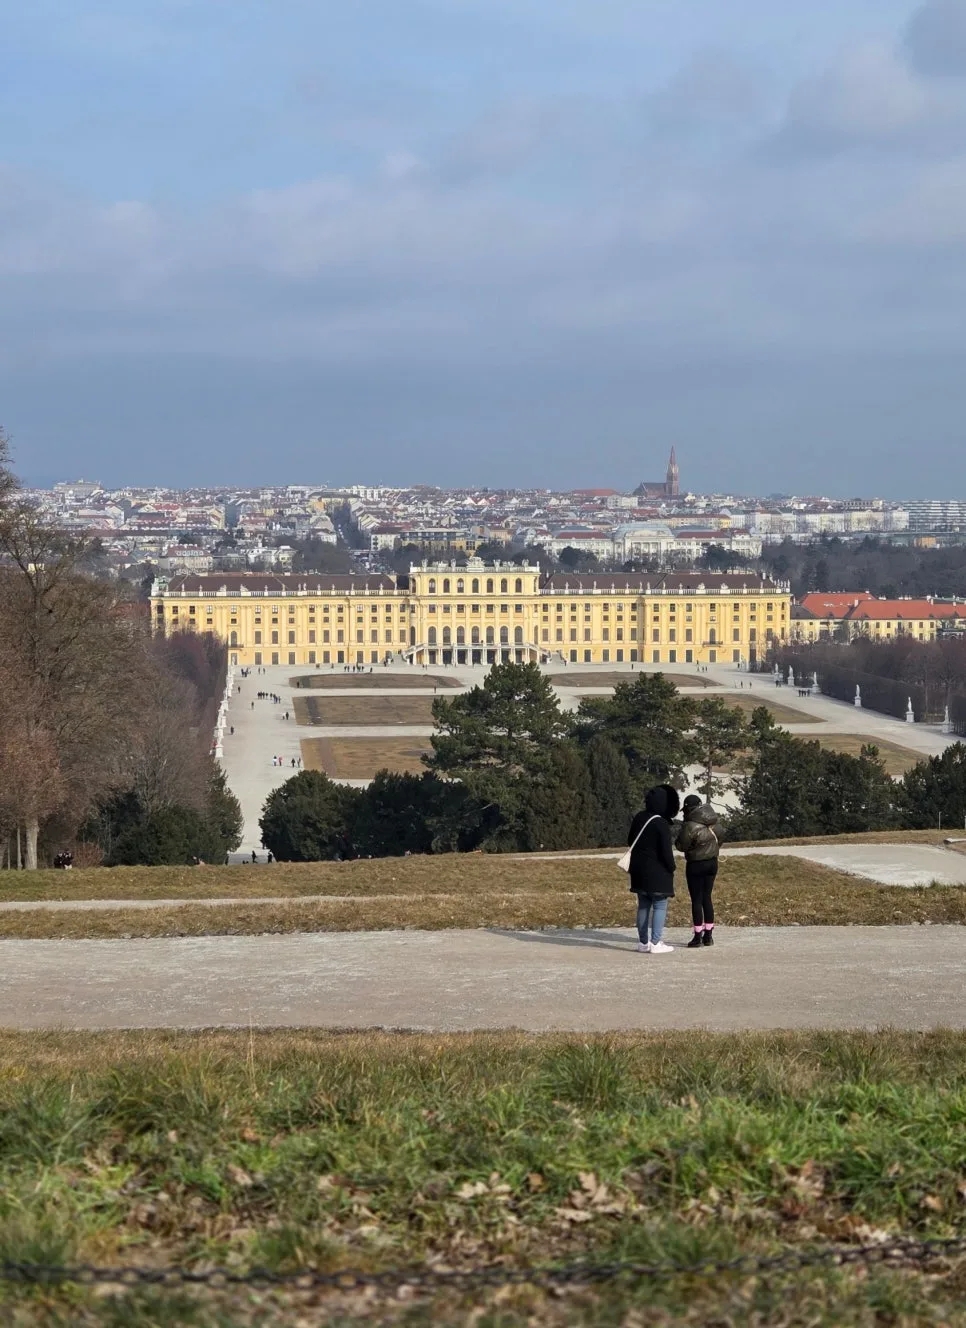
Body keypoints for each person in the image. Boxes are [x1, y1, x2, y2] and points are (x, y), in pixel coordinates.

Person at [626, 784, 680, 954]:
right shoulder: (661, 823)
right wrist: (672, 867)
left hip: (638, 870)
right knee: (660, 906)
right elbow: (666, 852)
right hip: (658, 872)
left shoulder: (639, 817)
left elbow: (630, 840)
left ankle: (643, 942)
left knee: (643, 906)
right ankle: (656, 942)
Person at [676, 794, 720, 948]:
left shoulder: (689, 825)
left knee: (696, 899)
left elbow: (681, 846)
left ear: (688, 808)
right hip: (712, 862)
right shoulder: (713, 819)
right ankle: (708, 935)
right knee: (707, 897)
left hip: (696, 864)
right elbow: (720, 837)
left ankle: (697, 936)